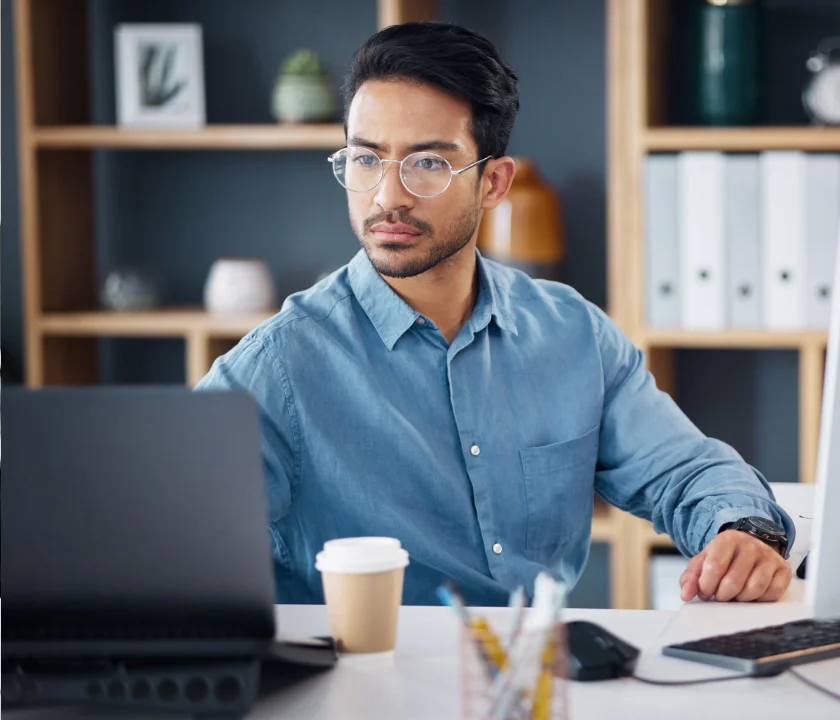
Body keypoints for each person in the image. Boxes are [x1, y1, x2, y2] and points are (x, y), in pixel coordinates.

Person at [197, 22, 794, 606]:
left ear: (493, 183)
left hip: (534, 682)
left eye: (428, 163)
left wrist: (743, 533)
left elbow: (686, 470)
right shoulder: (276, 367)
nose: (387, 196)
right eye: (366, 159)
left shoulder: (572, 333)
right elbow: (160, 526)